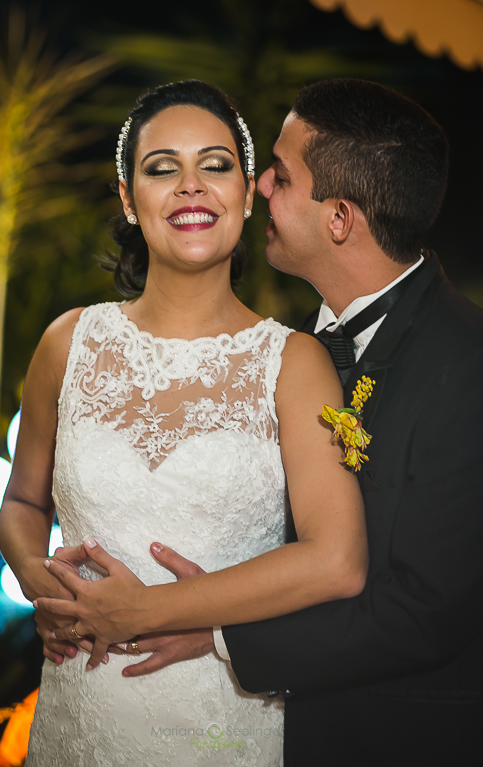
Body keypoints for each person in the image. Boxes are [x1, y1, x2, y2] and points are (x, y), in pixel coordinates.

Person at [36, 78, 483, 767]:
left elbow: (425, 609)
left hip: (387, 740)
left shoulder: (464, 360)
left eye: (277, 173)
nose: (261, 186)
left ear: (338, 219)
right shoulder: (303, 345)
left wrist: (211, 633)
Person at [0, 79, 368, 766]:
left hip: (219, 719)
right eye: (161, 169)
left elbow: (335, 560)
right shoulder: (66, 342)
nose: (190, 186)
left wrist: (146, 611)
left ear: (247, 190)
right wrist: (41, 582)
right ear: (126, 198)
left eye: (215, 165)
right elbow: (22, 501)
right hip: (77, 709)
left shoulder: (294, 362)